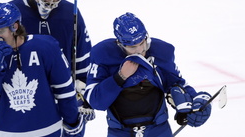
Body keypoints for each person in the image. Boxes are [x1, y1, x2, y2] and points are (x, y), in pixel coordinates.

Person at [83, 12, 212, 137]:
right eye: (132, 47)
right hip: (120, 132)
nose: (140, 51)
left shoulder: (161, 51)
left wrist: (199, 101)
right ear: (119, 43)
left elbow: (177, 84)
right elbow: (95, 101)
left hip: (159, 130)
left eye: (142, 43)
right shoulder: (103, 54)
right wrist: (120, 77)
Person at [0, 3, 85, 136]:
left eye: (1, 31)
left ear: (15, 26)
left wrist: (72, 121)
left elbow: (64, 90)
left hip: (48, 132)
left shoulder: (46, 47)